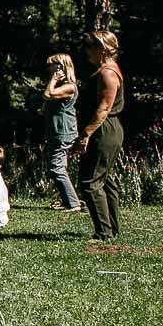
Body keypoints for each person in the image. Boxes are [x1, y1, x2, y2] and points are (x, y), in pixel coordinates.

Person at [74, 29, 125, 241]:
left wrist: (86, 134)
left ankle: (104, 233)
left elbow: (104, 107)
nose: (86, 52)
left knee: (90, 181)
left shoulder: (107, 73)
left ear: (101, 50)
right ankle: (112, 228)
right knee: (105, 180)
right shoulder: (105, 70)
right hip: (105, 128)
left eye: (89, 47)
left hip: (104, 129)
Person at [43, 53, 82, 211]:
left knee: (56, 168)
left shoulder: (69, 86)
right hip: (56, 131)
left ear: (60, 66)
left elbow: (48, 94)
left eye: (51, 65)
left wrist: (53, 79)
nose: (49, 69)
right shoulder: (62, 85)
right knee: (57, 167)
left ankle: (73, 203)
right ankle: (69, 201)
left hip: (63, 132)